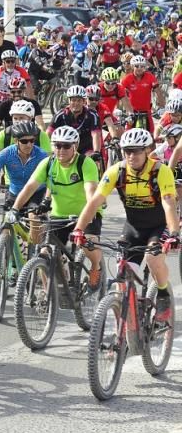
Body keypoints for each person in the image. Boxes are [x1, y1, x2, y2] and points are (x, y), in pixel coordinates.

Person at [72, 128, 179, 321]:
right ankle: (127, 331)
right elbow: (95, 201)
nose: (131, 155)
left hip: (159, 227)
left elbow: (169, 204)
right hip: (133, 228)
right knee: (122, 275)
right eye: (127, 151)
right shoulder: (116, 171)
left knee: (153, 259)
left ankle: (163, 295)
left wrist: (173, 232)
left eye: (137, 151)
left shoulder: (160, 171)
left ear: (147, 150)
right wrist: (79, 229)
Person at [11, 125, 104, 288]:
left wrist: (85, 221)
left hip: (86, 214)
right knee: (45, 253)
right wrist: (15, 209)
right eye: (57, 145)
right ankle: (49, 293)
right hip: (58, 216)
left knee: (87, 244)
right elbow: (29, 187)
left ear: (75, 146)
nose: (61, 150)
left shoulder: (85, 163)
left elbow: (91, 193)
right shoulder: (48, 163)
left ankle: (97, 267)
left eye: (66, 146)